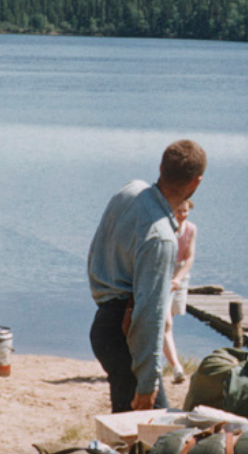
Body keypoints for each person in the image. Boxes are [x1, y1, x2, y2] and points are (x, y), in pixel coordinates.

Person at [88, 140, 206, 412]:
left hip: (104, 323)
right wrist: (148, 383)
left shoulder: (130, 191)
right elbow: (149, 315)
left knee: (127, 430)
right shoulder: (163, 239)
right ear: (195, 183)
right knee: (152, 431)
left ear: (161, 167)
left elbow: (99, 248)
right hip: (124, 332)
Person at [163, 199, 198, 383]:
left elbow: (190, 258)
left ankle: (170, 362)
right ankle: (176, 367)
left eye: (185, 211)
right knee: (165, 323)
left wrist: (178, 278)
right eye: (179, 211)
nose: (182, 215)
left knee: (170, 321)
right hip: (164, 274)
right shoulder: (165, 228)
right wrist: (169, 278)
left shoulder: (191, 229)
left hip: (181, 274)